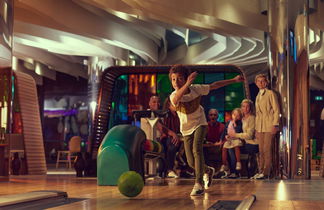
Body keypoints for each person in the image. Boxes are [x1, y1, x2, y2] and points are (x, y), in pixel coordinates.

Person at [169, 64, 244, 196]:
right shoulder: (173, 95)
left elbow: (215, 85)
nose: (176, 82)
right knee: (191, 162)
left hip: (200, 124)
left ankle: (198, 184)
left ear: (186, 78)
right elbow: (176, 99)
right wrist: (186, 84)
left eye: (180, 79)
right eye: (173, 79)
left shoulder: (196, 89)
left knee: (197, 150)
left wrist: (233, 80)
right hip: (186, 129)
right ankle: (207, 171)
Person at [141, 95, 180, 178]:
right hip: (149, 140)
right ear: (149, 104)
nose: (157, 104)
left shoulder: (161, 115)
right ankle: (168, 170)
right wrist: (172, 134)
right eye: (154, 102)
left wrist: (167, 134)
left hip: (159, 140)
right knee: (171, 142)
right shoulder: (148, 113)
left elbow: (162, 130)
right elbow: (160, 127)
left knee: (172, 143)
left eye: (158, 102)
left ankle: (170, 170)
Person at [254, 74, 280, 179]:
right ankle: (260, 171)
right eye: (259, 81)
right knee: (261, 150)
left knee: (267, 149)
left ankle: (266, 172)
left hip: (269, 125)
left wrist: (275, 124)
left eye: (263, 81)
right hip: (260, 127)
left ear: (266, 82)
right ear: (256, 83)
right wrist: (256, 128)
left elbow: (276, 110)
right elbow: (257, 113)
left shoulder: (270, 93)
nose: (261, 83)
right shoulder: (258, 95)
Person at [227, 99, 258, 178]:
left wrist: (235, 135)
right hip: (243, 142)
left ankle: (236, 171)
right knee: (230, 147)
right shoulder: (242, 119)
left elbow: (249, 135)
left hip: (251, 142)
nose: (246, 108)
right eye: (244, 106)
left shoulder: (252, 118)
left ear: (251, 108)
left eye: (248, 107)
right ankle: (234, 172)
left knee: (234, 148)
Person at [219, 108, 243, 178]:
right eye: (234, 115)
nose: (235, 117)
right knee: (224, 148)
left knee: (235, 147)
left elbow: (238, 131)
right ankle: (224, 164)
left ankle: (238, 163)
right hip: (229, 140)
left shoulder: (239, 123)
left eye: (238, 115)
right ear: (232, 115)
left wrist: (235, 123)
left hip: (236, 139)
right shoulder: (228, 122)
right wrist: (221, 139)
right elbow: (224, 131)